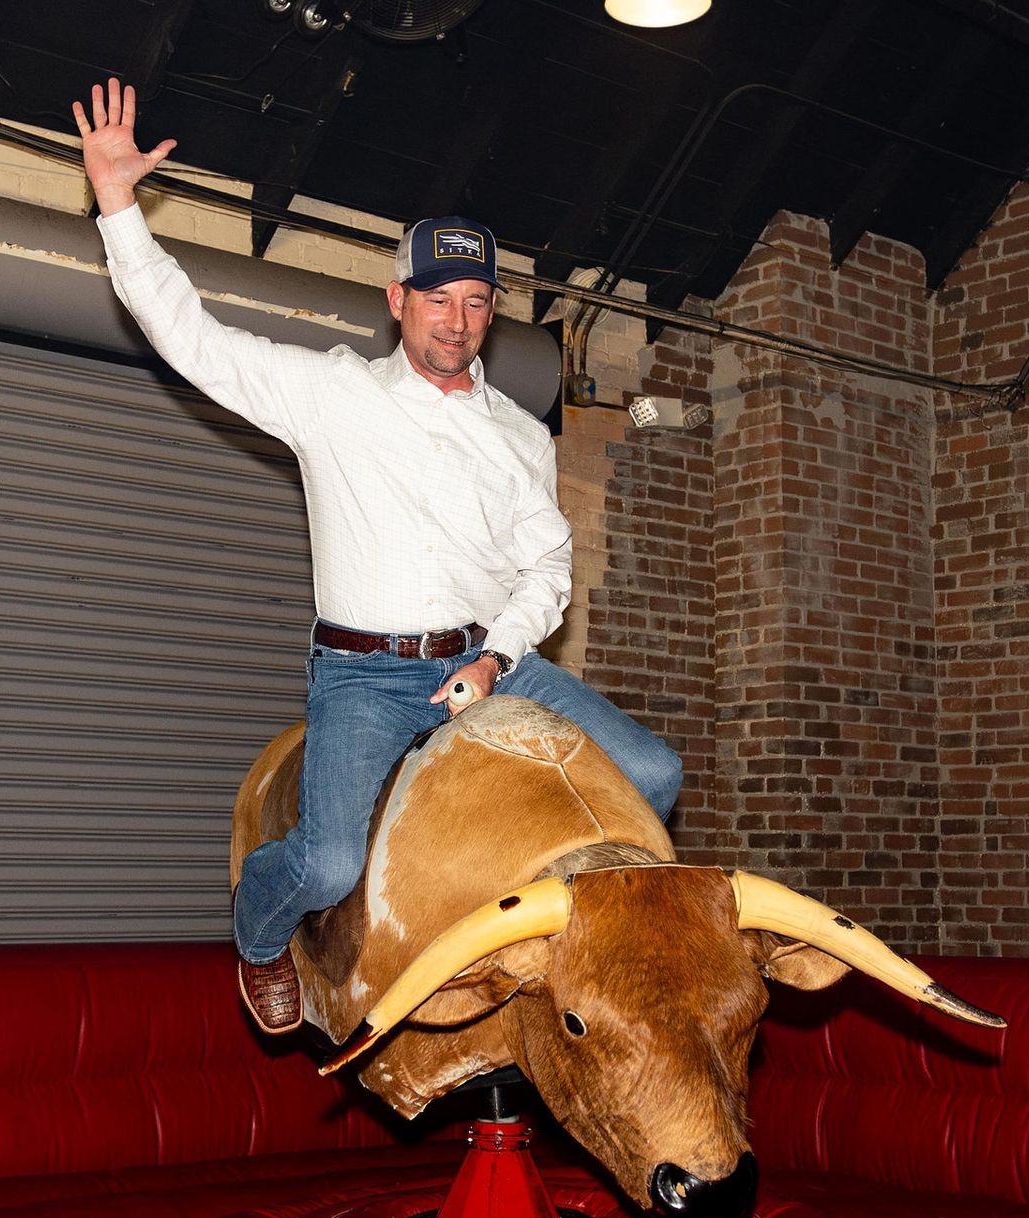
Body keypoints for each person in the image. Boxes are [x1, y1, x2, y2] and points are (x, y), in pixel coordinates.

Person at [74, 79, 682, 1034]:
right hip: (364, 675)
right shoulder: (334, 395)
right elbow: (193, 339)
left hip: (489, 660)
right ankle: (260, 935)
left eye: (475, 302)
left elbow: (549, 567)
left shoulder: (521, 437)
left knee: (653, 775)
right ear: (398, 300)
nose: (456, 321)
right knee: (327, 867)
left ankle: (570, 956)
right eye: (437, 298)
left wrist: (496, 657)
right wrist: (117, 204)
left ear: (492, 314)